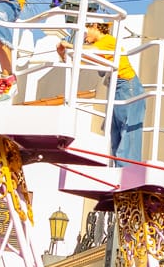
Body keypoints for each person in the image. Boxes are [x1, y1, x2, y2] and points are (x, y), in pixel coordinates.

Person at [57, 14, 143, 163]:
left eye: (85, 32)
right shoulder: (98, 48)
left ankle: (127, 168)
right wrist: (63, 55)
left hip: (127, 85)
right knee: (115, 130)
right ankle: (119, 167)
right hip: (118, 87)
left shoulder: (107, 41)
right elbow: (78, 65)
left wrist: (69, 45)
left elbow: (90, 51)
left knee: (127, 127)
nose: (83, 37)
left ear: (95, 26)